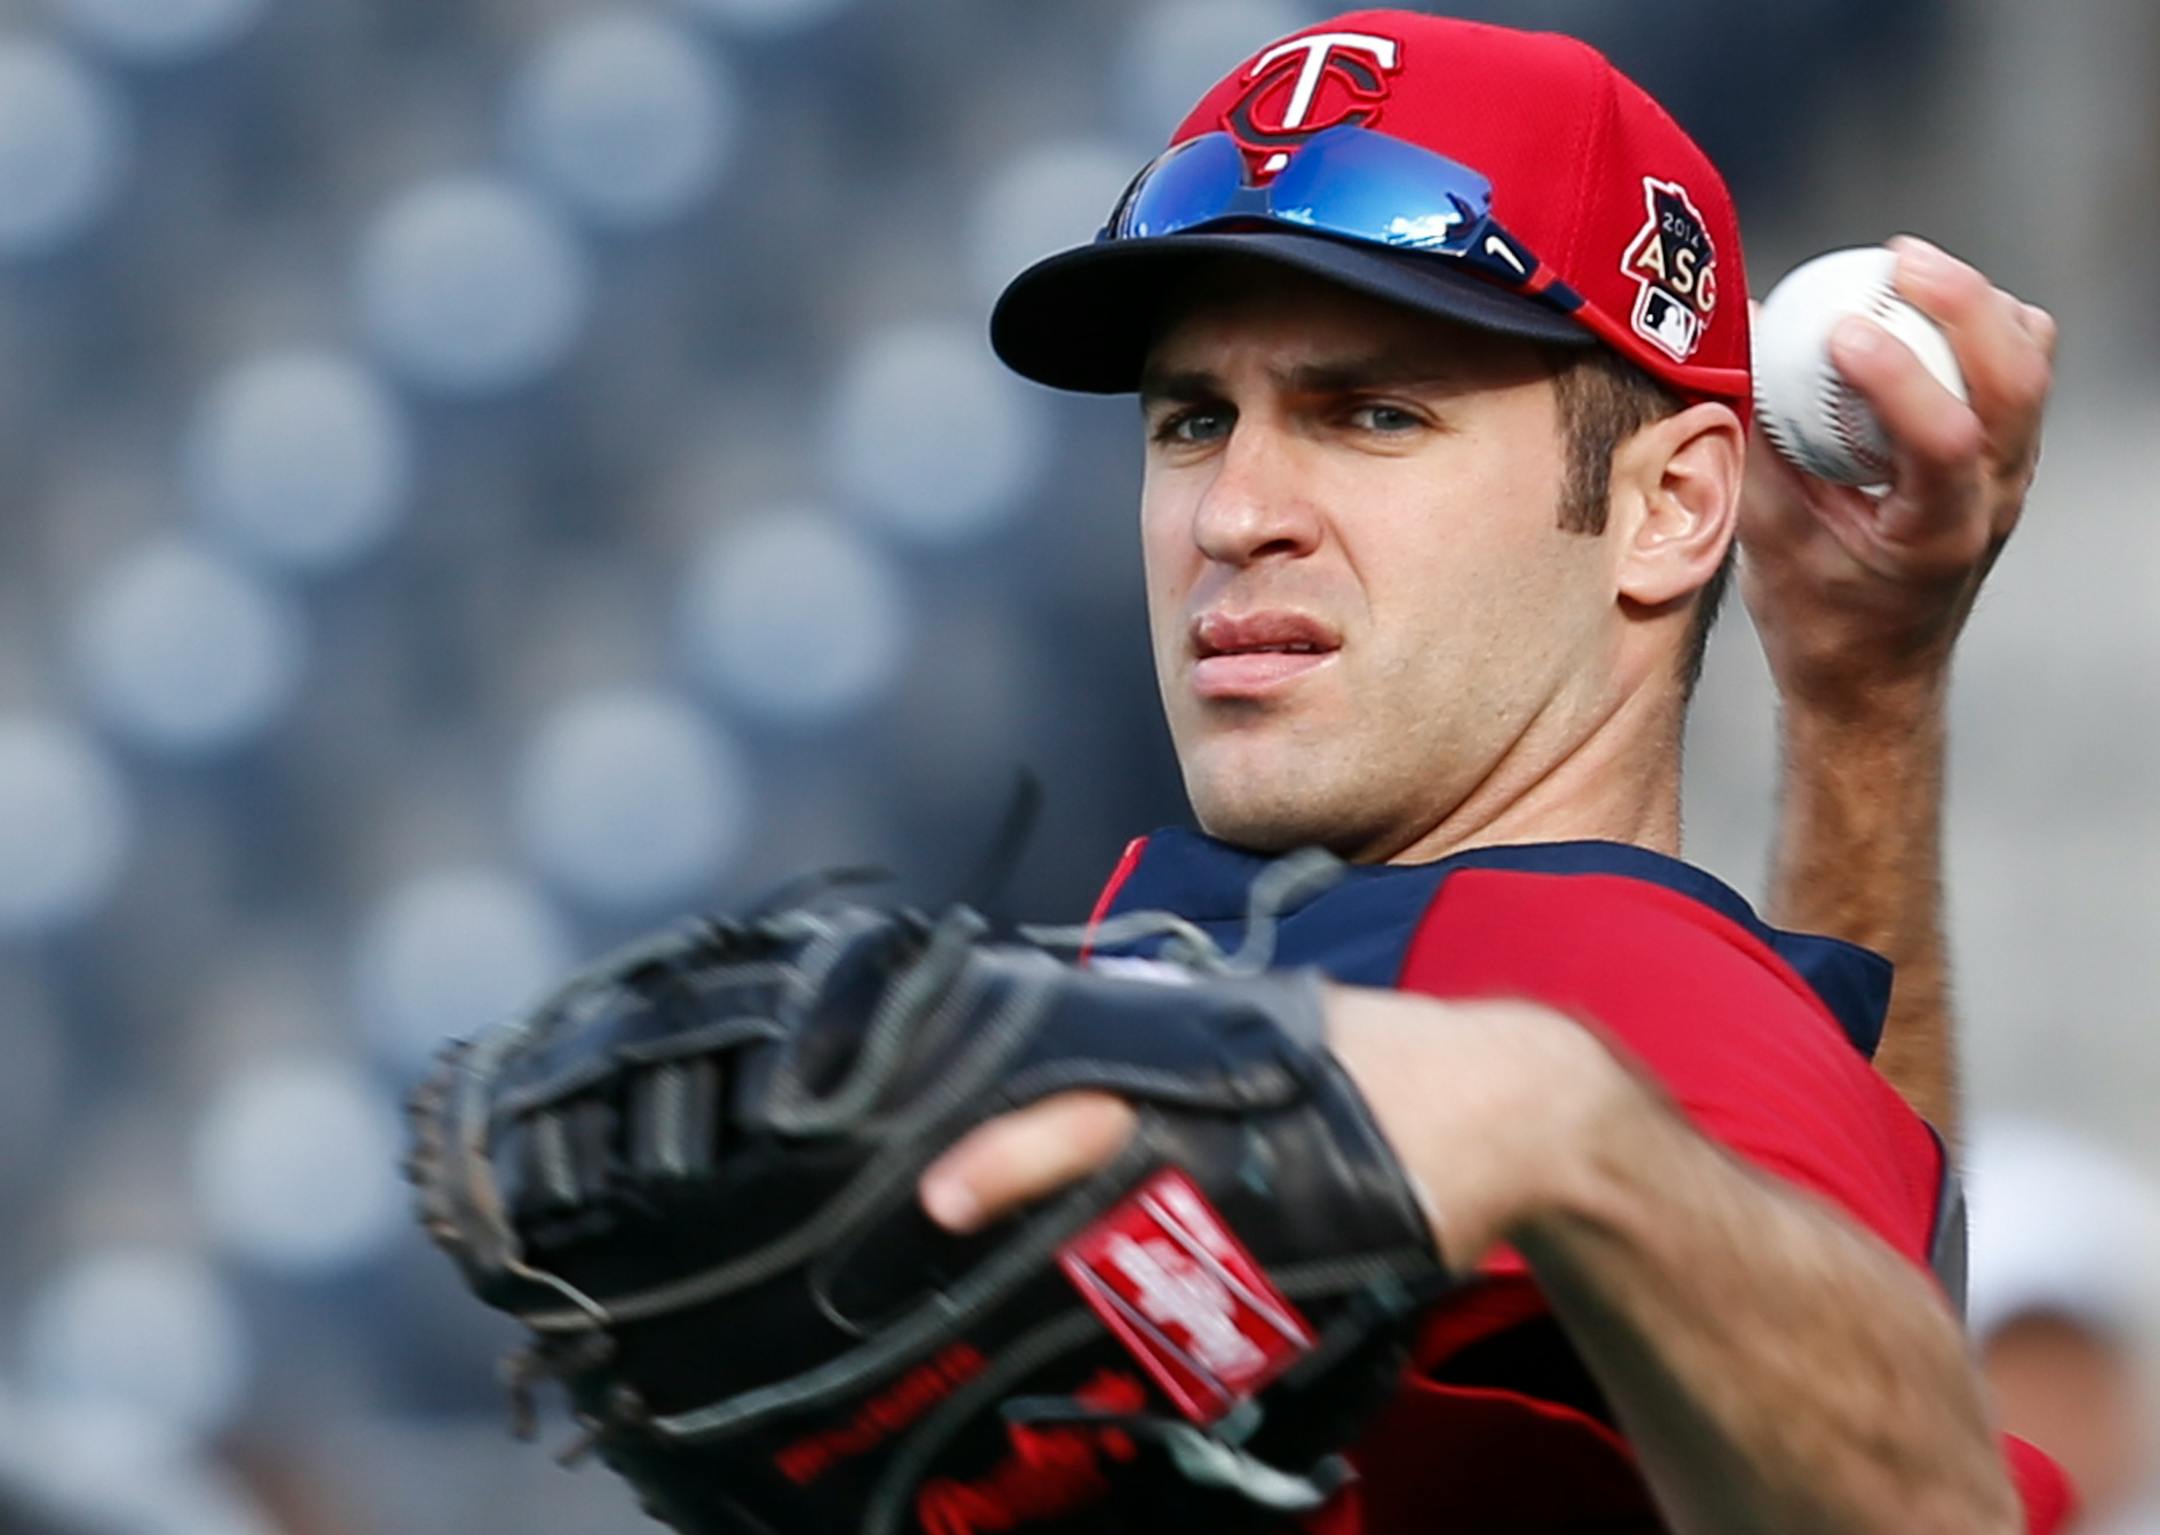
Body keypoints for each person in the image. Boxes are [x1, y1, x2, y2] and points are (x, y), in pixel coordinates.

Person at [906, 11, 2065, 1531]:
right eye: (1194, 420)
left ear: (1670, 510)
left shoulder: (1592, 1002)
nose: (1233, 510)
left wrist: (1563, 1128)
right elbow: (1864, 1268)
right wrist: (1864, 710)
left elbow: (1922, 1513)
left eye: (1372, 413)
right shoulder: (1504, 988)